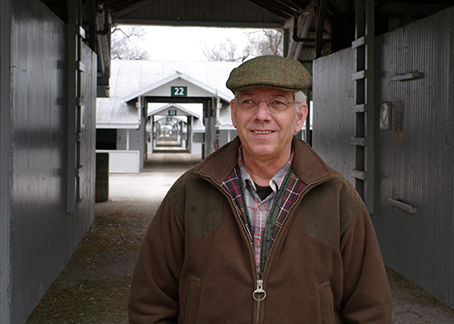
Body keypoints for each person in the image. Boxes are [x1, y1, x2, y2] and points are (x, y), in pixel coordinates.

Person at [128, 55, 392, 323]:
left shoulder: (338, 199)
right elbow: (150, 302)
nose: (261, 116)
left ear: (300, 116)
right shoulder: (190, 192)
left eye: (277, 102)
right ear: (234, 112)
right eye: (249, 102)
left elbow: (370, 310)